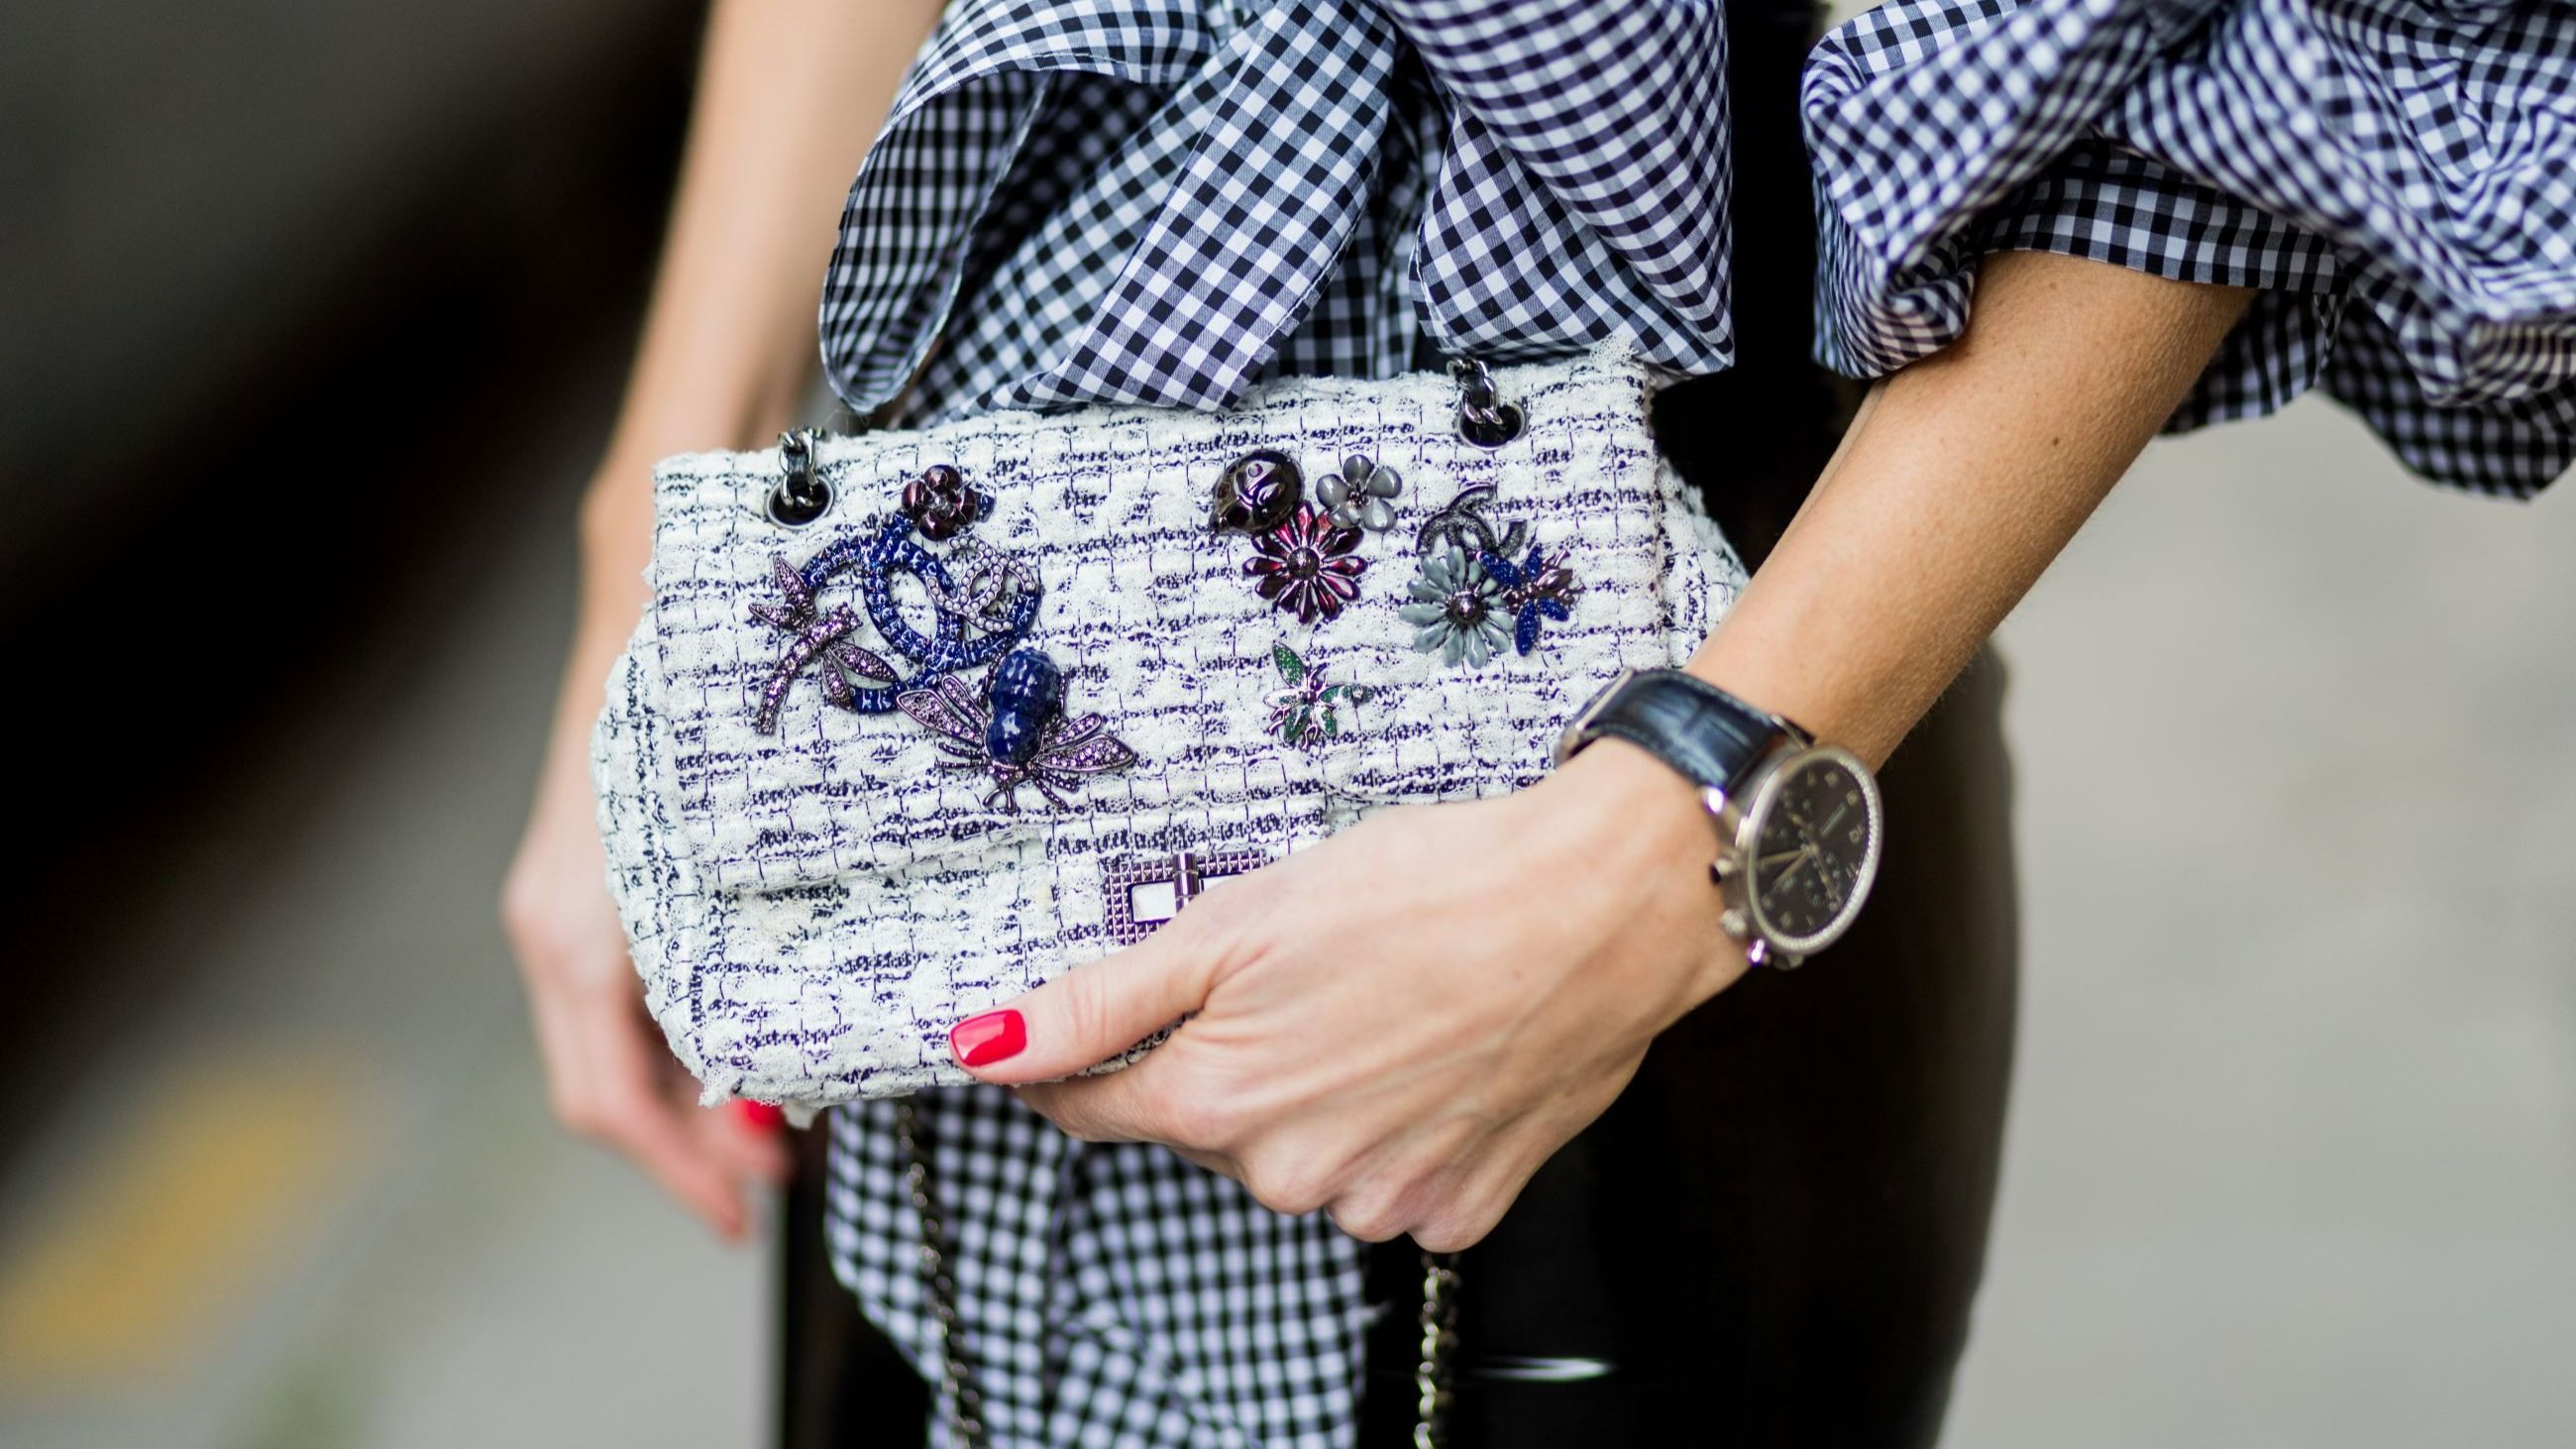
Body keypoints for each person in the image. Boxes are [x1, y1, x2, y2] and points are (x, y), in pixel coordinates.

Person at [504, 2, 2573, 1445]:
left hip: (1663, 693)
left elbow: (2240, 44)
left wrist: (1672, 821)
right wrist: (649, 583)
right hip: (951, 658)